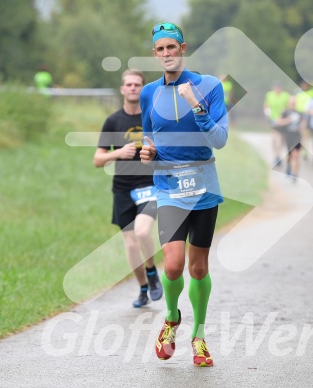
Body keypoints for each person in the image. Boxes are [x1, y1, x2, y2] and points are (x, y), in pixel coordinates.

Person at [139, 21, 228, 367]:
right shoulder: (149, 92)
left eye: (171, 48)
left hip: (204, 186)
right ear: (154, 54)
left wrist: (197, 106)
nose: (166, 54)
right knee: (173, 265)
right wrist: (148, 153)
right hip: (169, 188)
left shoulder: (209, 85)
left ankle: (200, 336)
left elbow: (219, 139)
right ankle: (172, 318)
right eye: (160, 49)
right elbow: (151, 139)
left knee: (199, 267)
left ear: (183, 48)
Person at [93, 69, 163, 307]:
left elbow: (165, 150)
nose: (133, 88)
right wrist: (118, 153)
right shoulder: (113, 121)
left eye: (137, 84)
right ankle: (143, 288)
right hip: (122, 188)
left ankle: (152, 272)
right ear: (122, 89)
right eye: (129, 85)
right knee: (130, 243)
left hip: (148, 184)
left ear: (142, 89)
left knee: (143, 232)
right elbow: (97, 160)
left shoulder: (152, 119)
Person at [263, 81, 290, 167]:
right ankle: (276, 156)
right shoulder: (269, 95)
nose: (277, 89)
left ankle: (278, 156)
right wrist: (267, 114)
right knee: (274, 140)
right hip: (273, 119)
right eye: (276, 88)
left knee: (281, 140)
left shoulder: (285, 95)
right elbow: (266, 106)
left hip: (282, 120)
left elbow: (288, 107)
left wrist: (284, 113)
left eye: (279, 88)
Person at [276, 97, 302, 182]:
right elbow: (279, 121)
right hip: (288, 135)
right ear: (288, 103)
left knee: (296, 155)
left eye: (294, 103)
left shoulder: (299, 113)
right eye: (291, 103)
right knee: (289, 155)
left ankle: (295, 174)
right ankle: (288, 166)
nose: (292, 104)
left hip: (297, 136)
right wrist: (288, 120)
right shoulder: (285, 113)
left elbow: (303, 123)